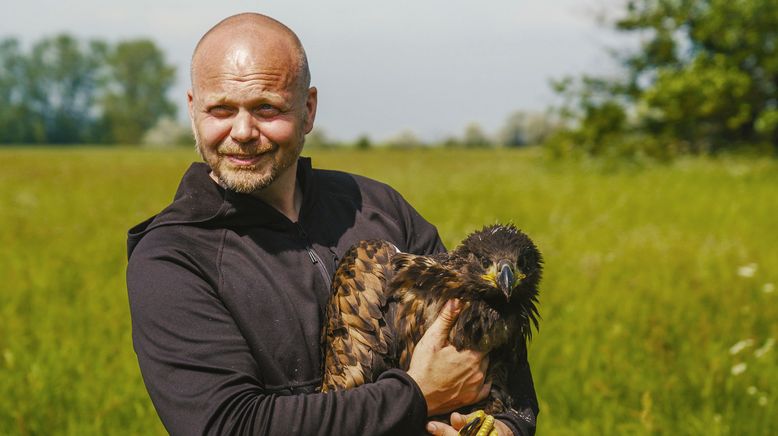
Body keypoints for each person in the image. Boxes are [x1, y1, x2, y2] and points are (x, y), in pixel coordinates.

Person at [126, 12, 537, 436]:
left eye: (267, 108)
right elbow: (227, 426)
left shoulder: (379, 208)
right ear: (194, 110)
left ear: (308, 109)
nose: (243, 131)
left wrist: (506, 427)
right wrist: (416, 395)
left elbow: (492, 351)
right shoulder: (171, 259)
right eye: (221, 109)